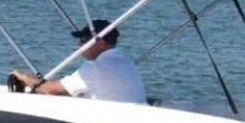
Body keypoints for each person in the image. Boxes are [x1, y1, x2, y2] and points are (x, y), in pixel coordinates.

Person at [10, 20, 147, 104]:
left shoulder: (96, 68)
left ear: (100, 44)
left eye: (84, 40)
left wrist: (23, 77)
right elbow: (63, 86)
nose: (79, 44)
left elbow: (50, 90)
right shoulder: (127, 63)